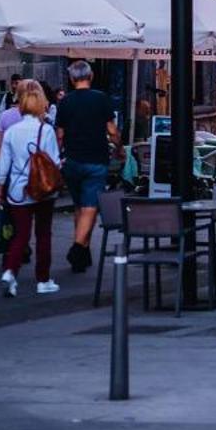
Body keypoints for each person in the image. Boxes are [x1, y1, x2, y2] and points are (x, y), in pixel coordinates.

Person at [0, 78, 61, 298]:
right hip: (42, 189)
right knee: (43, 234)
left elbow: (4, 162)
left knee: (19, 235)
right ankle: (43, 279)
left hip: (17, 190)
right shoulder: (46, 130)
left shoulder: (12, 131)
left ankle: (10, 272)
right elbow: (54, 161)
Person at [54, 60, 120, 274]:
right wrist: (119, 145)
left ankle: (82, 254)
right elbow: (111, 130)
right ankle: (77, 248)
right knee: (90, 206)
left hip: (72, 160)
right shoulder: (101, 99)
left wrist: (59, 155)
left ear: (72, 79)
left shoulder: (65, 103)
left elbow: (60, 135)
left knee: (79, 206)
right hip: (96, 159)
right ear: (90, 77)